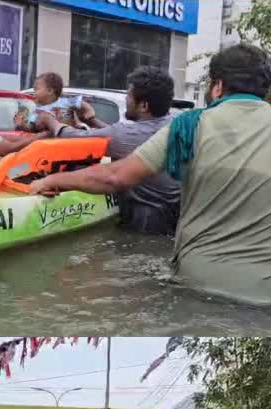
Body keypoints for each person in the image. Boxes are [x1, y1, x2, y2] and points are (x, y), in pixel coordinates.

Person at [29, 44, 271, 305]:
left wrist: (51, 180)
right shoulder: (176, 122)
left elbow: (115, 176)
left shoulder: (190, 125)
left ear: (218, 86)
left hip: (197, 284)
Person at [32, 66, 181, 236]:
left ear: (144, 105)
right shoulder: (177, 122)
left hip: (146, 224)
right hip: (175, 220)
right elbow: (122, 135)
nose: (126, 99)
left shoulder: (125, 135)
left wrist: (49, 120)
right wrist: (93, 121)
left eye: (129, 96)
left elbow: (74, 138)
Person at [20, 72, 89, 131]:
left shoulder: (65, 102)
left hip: (69, 138)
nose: (33, 92)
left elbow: (82, 103)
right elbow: (31, 127)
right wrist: (23, 125)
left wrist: (89, 111)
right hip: (50, 141)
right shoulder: (36, 109)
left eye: (36, 89)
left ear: (50, 91)